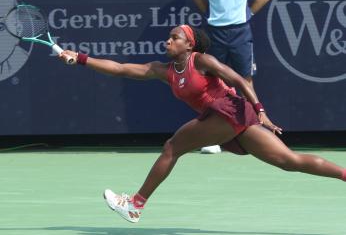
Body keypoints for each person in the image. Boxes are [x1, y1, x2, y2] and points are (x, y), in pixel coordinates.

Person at [60, 25, 346, 223]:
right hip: (227, 118)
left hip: (228, 111)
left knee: (172, 147)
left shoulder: (201, 60)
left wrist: (260, 110)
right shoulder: (164, 70)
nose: (168, 41)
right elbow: (121, 69)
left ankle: (135, 204)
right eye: (168, 38)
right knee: (288, 161)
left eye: (175, 38)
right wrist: (81, 58)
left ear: (190, 44)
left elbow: (236, 78)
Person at [192, 0, 271, 154]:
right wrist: (212, 14)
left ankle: (253, 136)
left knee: (245, 80)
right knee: (211, 81)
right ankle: (211, 139)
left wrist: (247, 13)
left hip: (241, 31)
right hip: (214, 31)